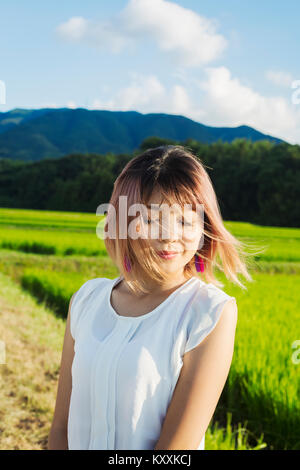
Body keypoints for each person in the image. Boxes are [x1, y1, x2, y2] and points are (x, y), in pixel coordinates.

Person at [48, 145, 253, 450]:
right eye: (154, 219)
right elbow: (61, 428)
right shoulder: (87, 300)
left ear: (204, 227)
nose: (170, 235)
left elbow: (174, 451)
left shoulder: (209, 313)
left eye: (185, 221)